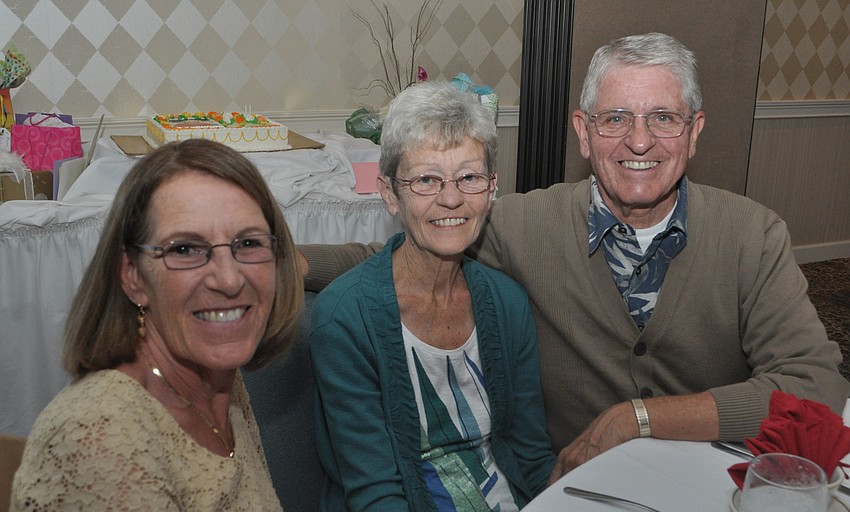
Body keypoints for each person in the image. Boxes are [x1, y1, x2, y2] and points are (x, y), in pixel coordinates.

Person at [299, 32, 848, 481]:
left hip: (713, 482)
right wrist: (283, 262)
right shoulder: (523, 225)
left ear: (693, 132)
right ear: (583, 133)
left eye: (663, 118)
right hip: (579, 488)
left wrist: (640, 418)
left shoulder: (752, 236)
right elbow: (402, 249)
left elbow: (815, 385)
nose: (639, 142)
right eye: (615, 119)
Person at [7, 139, 303, 512]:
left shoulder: (219, 381)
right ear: (133, 278)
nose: (229, 278)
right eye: (185, 249)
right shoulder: (101, 436)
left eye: (248, 243)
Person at [309, 81, 555, 512]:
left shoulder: (506, 302)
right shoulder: (344, 320)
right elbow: (376, 498)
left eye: (468, 177)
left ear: (492, 187)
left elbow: (530, 452)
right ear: (389, 194)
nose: (451, 200)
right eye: (426, 180)